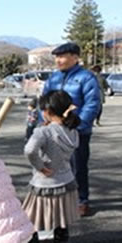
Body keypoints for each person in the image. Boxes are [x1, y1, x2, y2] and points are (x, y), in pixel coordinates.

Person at [42, 42, 100, 217]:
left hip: (77, 132)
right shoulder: (53, 78)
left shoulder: (86, 78)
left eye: (62, 56)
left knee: (78, 167)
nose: (58, 60)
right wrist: (44, 119)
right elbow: (44, 101)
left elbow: (92, 104)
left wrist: (77, 125)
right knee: (55, 166)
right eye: (56, 57)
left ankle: (82, 200)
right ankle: (61, 199)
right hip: (54, 131)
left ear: (75, 57)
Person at [22, 90, 81, 243]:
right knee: (61, 219)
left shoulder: (44, 132)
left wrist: (40, 166)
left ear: (47, 112)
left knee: (36, 219)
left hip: (45, 184)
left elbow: (29, 150)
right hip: (66, 181)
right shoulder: (73, 131)